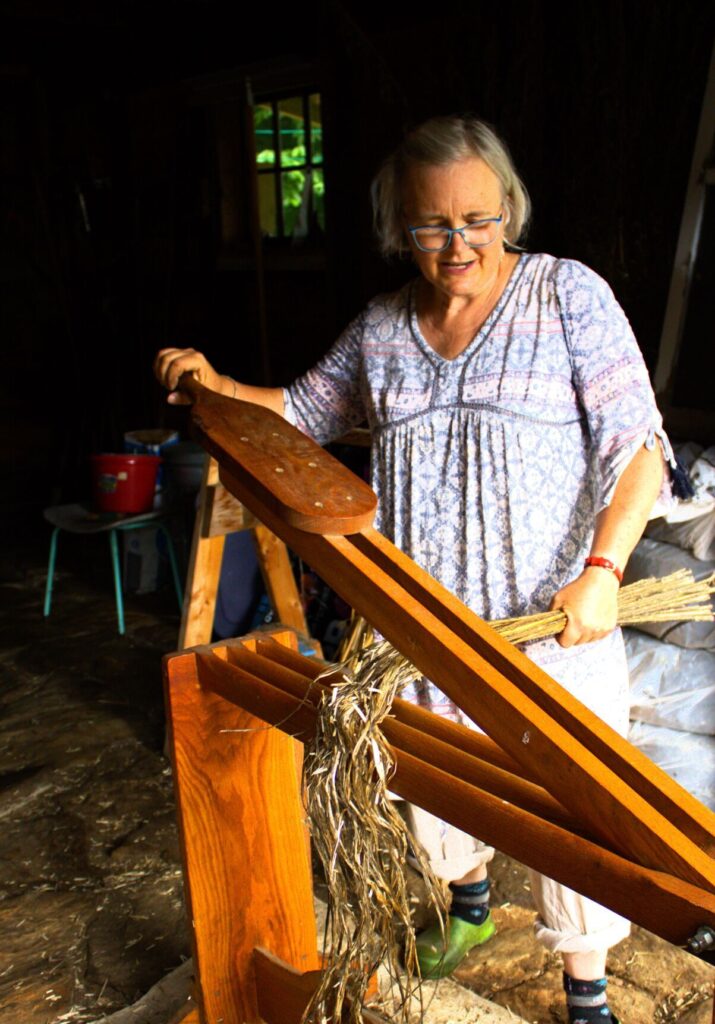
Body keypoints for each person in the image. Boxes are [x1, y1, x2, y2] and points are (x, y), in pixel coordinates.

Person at [155, 115, 672, 1024]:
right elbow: (299, 411)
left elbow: (639, 449)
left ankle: (584, 993)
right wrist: (213, 381)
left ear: (506, 208)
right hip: (420, 628)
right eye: (431, 224)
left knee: (570, 818)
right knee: (435, 787)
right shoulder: (382, 329)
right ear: (400, 226)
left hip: (547, 627)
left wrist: (604, 568)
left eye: (476, 218)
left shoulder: (564, 298)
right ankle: (467, 903)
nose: (456, 243)